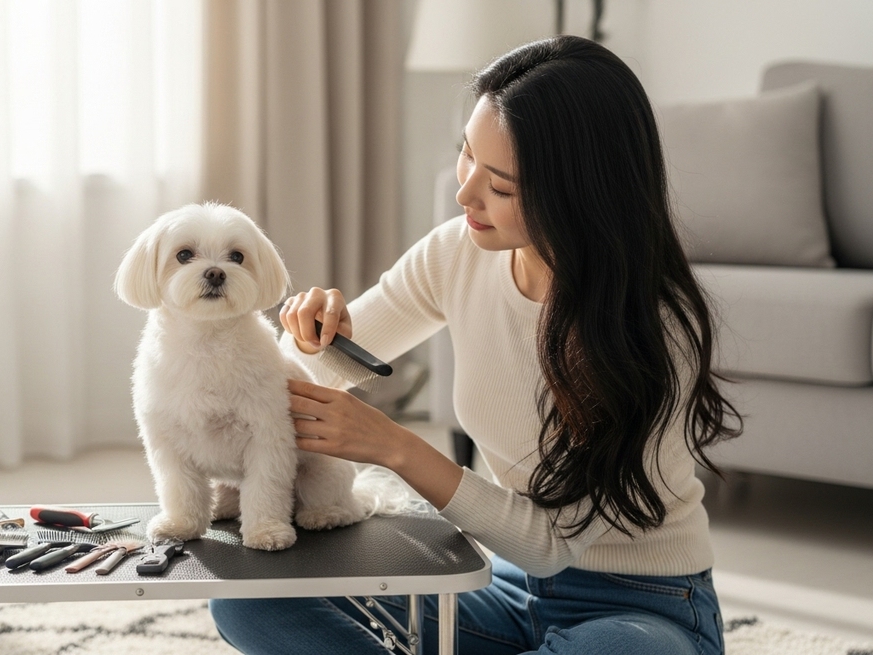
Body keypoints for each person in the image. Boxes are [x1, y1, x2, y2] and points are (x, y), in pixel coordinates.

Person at [209, 35, 741, 655]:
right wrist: (313, 336)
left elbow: (550, 544)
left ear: (581, 195)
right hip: (505, 588)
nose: (465, 195)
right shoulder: (456, 251)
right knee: (251, 601)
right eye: (466, 156)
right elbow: (304, 379)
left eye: (502, 187)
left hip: (643, 609)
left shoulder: (653, 328)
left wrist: (393, 447)